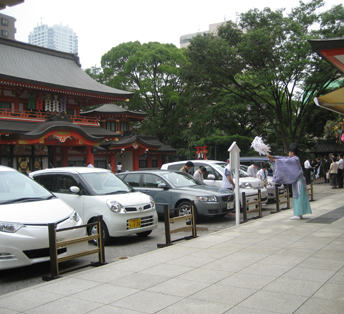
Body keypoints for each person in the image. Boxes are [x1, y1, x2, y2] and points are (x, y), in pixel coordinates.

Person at [268, 143, 312, 220]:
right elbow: (284, 159)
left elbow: (285, 161)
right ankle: (298, 213)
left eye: (289, 152)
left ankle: (298, 214)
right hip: (298, 180)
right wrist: (273, 157)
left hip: (299, 181)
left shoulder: (295, 159)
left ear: (292, 152)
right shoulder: (294, 159)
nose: (288, 154)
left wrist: (275, 160)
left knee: (298, 196)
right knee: (297, 196)